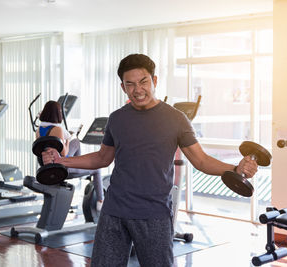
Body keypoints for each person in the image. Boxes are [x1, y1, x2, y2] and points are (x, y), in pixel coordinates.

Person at [41, 54, 258, 267]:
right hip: (114, 211)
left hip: (153, 214)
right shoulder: (117, 118)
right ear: (123, 87)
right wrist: (62, 161)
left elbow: (201, 161)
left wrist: (235, 168)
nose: (138, 89)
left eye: (143, 82)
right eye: (130, 84)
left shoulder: (176, 119)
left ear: (154, 81)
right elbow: (102, 158)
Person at [37, 101, 104, 211]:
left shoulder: (39, 129)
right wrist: (67, 139)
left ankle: (80, 166)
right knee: (97, 169)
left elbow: (39, 149)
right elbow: (64, 153)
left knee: (76, 142)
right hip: (62, 168)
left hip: (47, 167)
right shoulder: (57, 129)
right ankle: (100, 202)